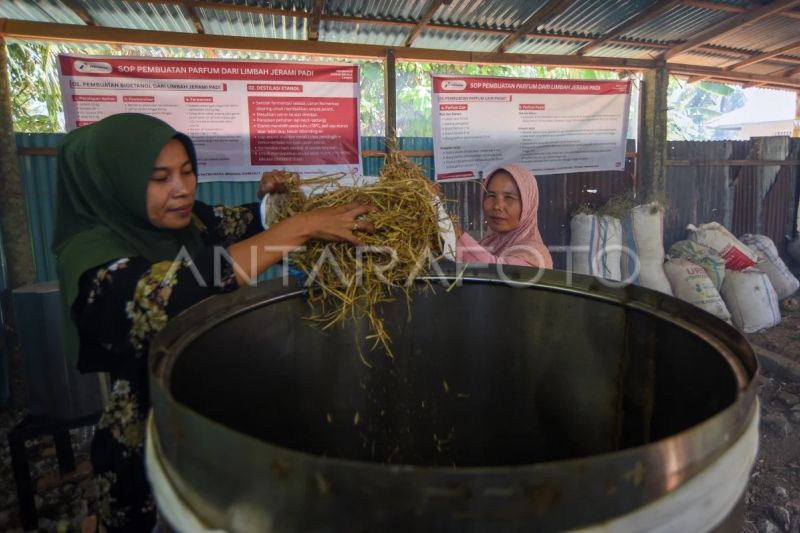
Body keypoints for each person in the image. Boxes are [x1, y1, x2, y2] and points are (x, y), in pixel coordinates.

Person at [52, 113, 374, 532]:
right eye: (160, 177)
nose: (182, 189)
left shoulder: (191, 222)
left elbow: (247, 221)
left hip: (212, 420)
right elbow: (176, 291)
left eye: (187, 172)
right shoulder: (91, 262)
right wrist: (303, 227)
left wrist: (273, 202)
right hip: (153, 442)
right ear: (114, 182)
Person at [455, 163, 552, 269]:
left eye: (508, 197)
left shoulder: (534, 254)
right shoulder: (487, 243)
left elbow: (496, 271)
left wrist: (456, 235)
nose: (497, 206)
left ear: (527, 205)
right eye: (491, 196)